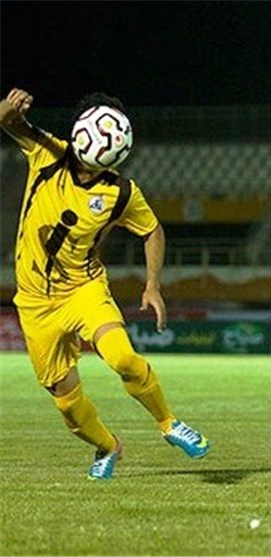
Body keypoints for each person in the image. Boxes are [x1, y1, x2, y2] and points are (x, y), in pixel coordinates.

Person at [0, 88, 210, 480]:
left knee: (123, 358)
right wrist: (9, 107)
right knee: (67, 404)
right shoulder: (48, 153)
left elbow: (152, 230)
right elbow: (8, 121)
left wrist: (152, 286)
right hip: (34, 303)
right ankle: (108, 446)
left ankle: (169, 423)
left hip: (84, 289)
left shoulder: (121, 192)